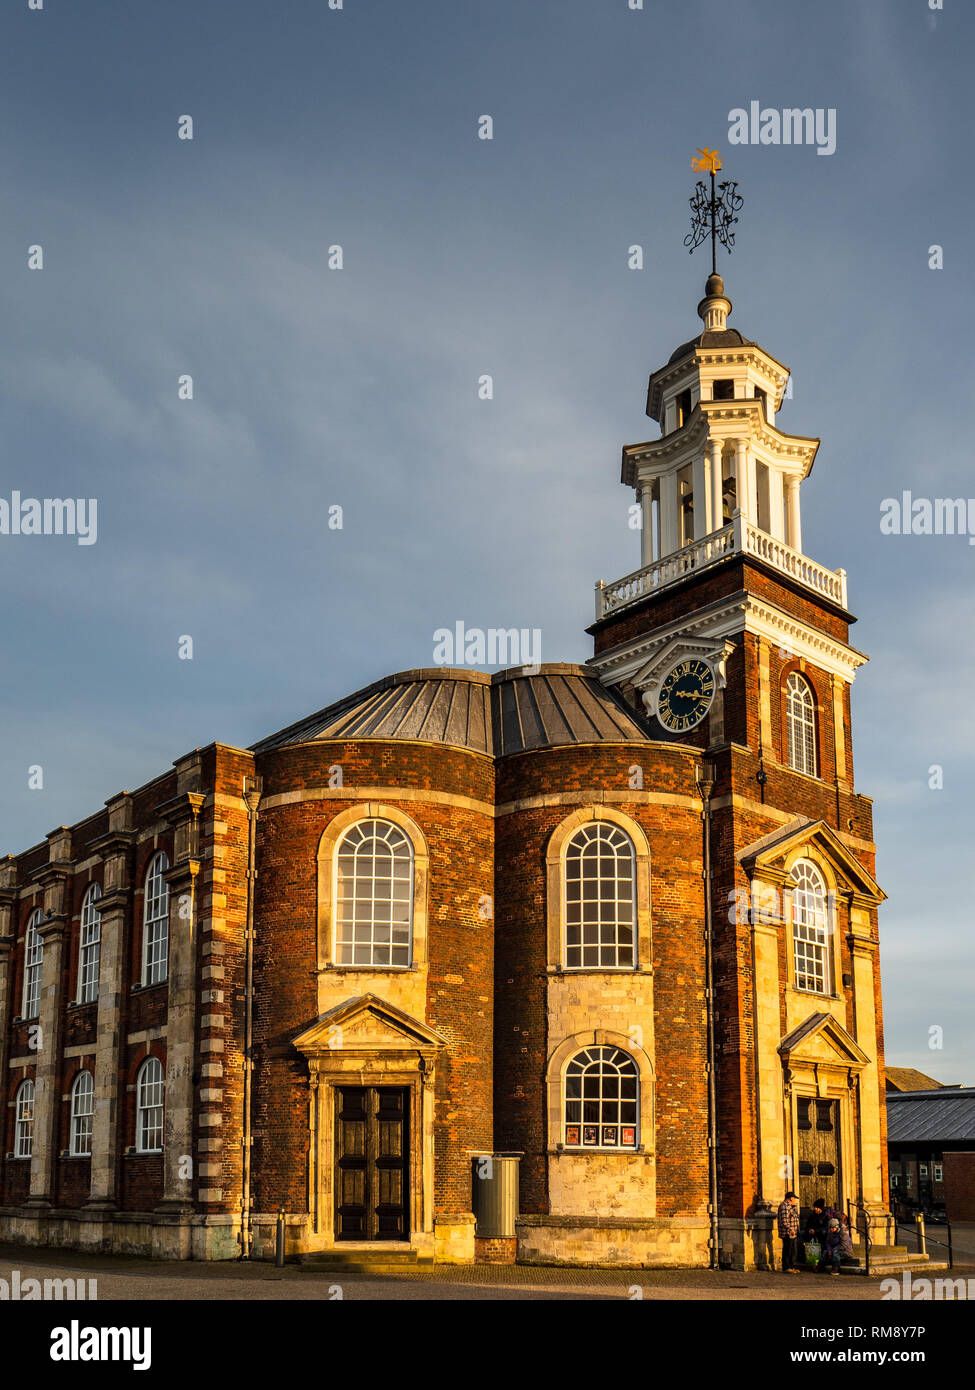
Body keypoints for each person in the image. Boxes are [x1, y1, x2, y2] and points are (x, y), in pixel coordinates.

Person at [777, 1190, 801, 1273]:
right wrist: (790, 1229)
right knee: (788, 1250)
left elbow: (794, 1217)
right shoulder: (784, 1206)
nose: (795, 1201)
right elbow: (784, 1221)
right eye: (794, 1199)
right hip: (787, 1233)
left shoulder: (790, 1206)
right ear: (790, 1198)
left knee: (793, 1250)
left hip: (793, 1232)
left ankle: (791, 1266)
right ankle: (786, 1267)